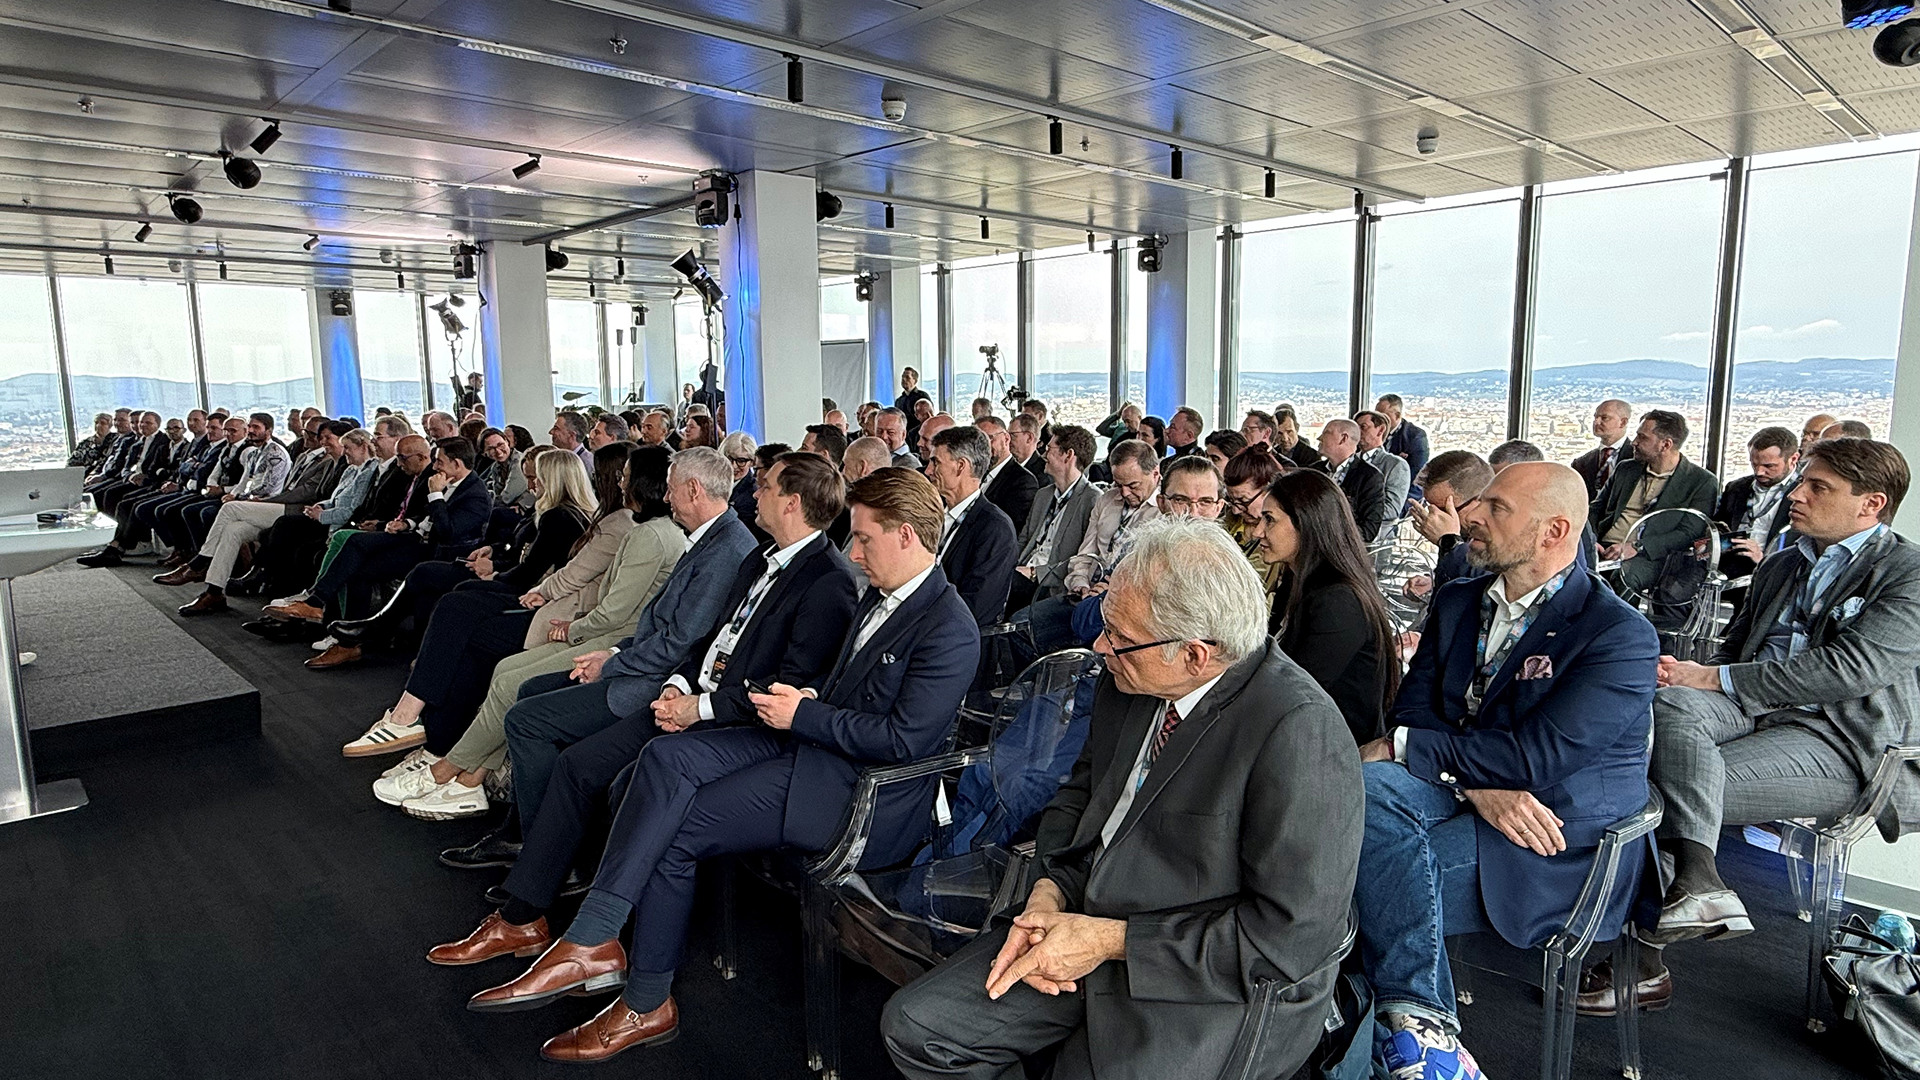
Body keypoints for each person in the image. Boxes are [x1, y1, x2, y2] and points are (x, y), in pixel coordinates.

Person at [465, 468, 976, 1064]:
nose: (854, 552)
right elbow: (844, 690)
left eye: (863, 539)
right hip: (809, 749)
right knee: (662, 760)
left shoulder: (949, 627)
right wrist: (810, 702)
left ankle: (634, 987)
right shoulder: (879, 595)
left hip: (858, 794)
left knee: (672, 824)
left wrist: (805, 712)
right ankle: (597, 942)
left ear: (906, 535)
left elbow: (904, 742)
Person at [884, 516, 1361, 1080]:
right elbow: (1080, 794)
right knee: (916, 1029)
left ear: (1195, 655)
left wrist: (1112, 941)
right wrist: (1049, 888)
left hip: (1202, 981)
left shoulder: (1299, 731)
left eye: (1119, 637)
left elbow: (1290, 941)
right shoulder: (1133, 677)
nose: (1099, 646)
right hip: (1087, 914)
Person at [429, 452, 860, 949]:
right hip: (687, 696)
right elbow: (709, 641)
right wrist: (678, 685)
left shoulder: (826, 579)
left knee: (599, 766)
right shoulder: (762, 558)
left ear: (792, 503)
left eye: (765, 487)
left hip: (730, 722)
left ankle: (539, 914)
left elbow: (785, 690)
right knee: (575, 764)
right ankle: (530, 907)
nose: (754, 493)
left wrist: (695, 705)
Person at [1354, 462, 1658, 1080]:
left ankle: (1377, 1035)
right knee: (1363, 789)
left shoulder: (1617, 634)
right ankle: (1421, 1029)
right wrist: (1474, 783)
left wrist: (1415, 750)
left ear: (1554, 531)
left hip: (1553, 835)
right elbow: (1413, 709)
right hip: (1473, 794)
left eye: (1496, 508)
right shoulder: (1458, 600)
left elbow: (1539, 759)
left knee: (1343, 878)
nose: (1472, 516)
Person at [1603, 439, 1920, 1012]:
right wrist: (1690, 676)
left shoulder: (1908, 573)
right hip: (1754, 708)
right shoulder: (1781, 561)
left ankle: (1644, 956)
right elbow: (1736, 649)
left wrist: (1714, 678)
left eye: (1818, 487)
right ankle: (1699, 882)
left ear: (1871, 503)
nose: (1797, 495)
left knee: (1660, 785)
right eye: (1801, 482)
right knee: (1669, 706)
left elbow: (1852, 671)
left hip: (1842, 737)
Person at [376, 447, 682, 834]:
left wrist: (570, 628)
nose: (621, 482)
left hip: (610, 639)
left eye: (626, 475)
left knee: (509, 679)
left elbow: (614, 611)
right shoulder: (645, 530)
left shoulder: (648, 535)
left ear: (641, 482)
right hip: (603, 629)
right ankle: (469, 777)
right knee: (504, 668)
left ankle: (447, 768)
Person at [470, 448, 757, 827]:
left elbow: (679, 644)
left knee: (526, 719)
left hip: (654, 682)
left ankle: (537, 838)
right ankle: (526, 827)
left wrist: (610, 661)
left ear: (693, 490)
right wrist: (612, 652)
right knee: (528, 690)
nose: (666, 497)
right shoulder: (711, 538)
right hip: (642, 663)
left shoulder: (722, 549)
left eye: (671, 489)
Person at [311, 447, 595, 671]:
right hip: (493, 566)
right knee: (412, 577)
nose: (531, 485)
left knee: (429, 577)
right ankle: (393, 642)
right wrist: (493, 552)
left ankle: (375, 632)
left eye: (535, 478)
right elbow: (519, 546)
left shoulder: (555, 515)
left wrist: (494, 571)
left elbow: (528, 567)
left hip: (517, 584)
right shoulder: (551, 510)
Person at [264, 435, 490, 625]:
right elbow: (424, 517)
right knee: (355, 546)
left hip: (437, 551)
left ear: (457, 464)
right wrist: (408, 523)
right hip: (415, 536)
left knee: (357, 560)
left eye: (439, 461)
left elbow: (447, 532)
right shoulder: (444, 481)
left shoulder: (475, 495)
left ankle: (330, 615)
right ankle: (324, 612)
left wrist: (435, 495)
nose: (435, 466)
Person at [1250, 469, 1397, 744]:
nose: (1257, 532)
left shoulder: (1339, 601)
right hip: (1300, 735)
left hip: (1335, 749)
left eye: (1269, 519)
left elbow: (1295, 688)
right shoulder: (1297, 580)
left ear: (1307, 522)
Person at [166, 421, 353, 616]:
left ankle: (199, 563)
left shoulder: (327, 462)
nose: (318, 440)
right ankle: (214, 592)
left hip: (297, 510)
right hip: (288, 506)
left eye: (323, 437)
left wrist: (266, 501)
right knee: (233, 530)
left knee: (230, 508)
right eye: (316, 435)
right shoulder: (312, 458)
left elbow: (307, 493)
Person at [1591, 410, 1720, 596]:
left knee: (1624, 578)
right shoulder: (1626, 469)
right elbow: (1596, 509)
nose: (1634, 442)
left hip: (1651, 555)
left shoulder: (1701, 481)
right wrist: (1590, 539)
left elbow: (1688, 534)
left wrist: (1637, 547)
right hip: (1603, 546)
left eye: (1642, 437)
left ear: (1665, 445)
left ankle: (1619, 616)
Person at [927, 425, 1018, 627]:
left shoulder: (995, 529)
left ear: (961, 466)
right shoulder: (933, 515)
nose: (928, 471)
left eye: (936, 462)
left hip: (952, 636)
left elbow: (976, 608)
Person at [1010, 424, 1097, 614]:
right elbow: (1024, 539)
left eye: (1049, 449)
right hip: (1021, 572)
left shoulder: (1092, 499)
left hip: (1050, 585)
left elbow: (1082, 558)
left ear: (1068, 455)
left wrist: (1035, 572)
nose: (1043, 455)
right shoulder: (1043, 495)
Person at [1404, 450, 1497, 597]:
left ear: (1480, 499)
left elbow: (1491, 583)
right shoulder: (1465, 530)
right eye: (1431, 508)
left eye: (1444, 509)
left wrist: (1450, 541)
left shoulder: (1507, 534)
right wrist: (1434, 582)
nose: (1435, 518)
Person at [1714, 426, 1800, 577]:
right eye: (1754, 464)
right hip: (1727, 571)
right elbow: (1716, 529)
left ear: (1793, 459)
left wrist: (1762, 559)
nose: (1759, 472)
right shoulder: (1736, 488)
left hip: (1772, 574)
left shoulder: (1803, 495)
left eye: (1769, 466)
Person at [1221, 443, 1285, 596]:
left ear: (1269, 490)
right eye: (1232, 501)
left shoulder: (1287, 537)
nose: (1236, 510)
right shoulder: (1225, 525)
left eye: (1243, 500)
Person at [1316, 418, 1386, 542]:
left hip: (1343, 549)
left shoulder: (1369, 477)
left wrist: (1327, 535)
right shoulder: (1314, 471)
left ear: (1343, 438)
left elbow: (1369, 530)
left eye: (1326, 433)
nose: (1319, 438)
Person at [975, 414, 1040, 528]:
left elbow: (1010, 528)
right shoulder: (976, 474)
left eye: (989, 438)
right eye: (977, 442)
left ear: (1006, 439)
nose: (983, 447)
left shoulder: (1023, 481)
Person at [1355, 409, 1411, 539]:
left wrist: (1350, 514)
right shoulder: (1351, 461)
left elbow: (1392, 509)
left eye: (1363, 427)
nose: (1357, 432)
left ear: (1380, 430)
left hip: (1378, 538)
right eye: (1355, 427)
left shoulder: (1395, 465)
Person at [1571, 399, 1632, 500]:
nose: (1596, 422)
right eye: (1595, 417)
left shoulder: (1640, 459)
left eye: (1605, 418)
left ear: (1622, 422)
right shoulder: (1581, 463)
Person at [1377, 393, 1430, 484]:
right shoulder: (1373, 431)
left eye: (1382, 416)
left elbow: (1416, 475)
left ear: (1397, 416)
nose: (1377, 420)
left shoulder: (1415, 437)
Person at [1273, 405, 1324, 471]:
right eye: (1279, 433)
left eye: (1289, 432)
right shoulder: (1273, 453)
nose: (1285, 438)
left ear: (1297, 429)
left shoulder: (1312, 456)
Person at [896, 366, 932, 448]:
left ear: (915, 380)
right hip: (903, 437)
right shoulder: (899, 400)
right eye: (902, 377)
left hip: (918, 435)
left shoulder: (922, 396)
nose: (904, 379)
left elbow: (928, 416)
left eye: (907, 377)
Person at [1007, 413, 1046, 482]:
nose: (1008, 440)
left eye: (1012, 435)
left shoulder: (1043, 474)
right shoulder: (1006, 466)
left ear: (1029, 438)